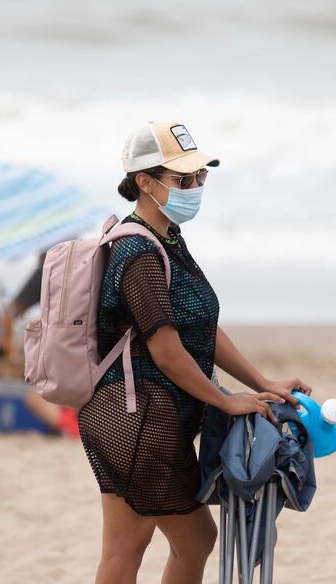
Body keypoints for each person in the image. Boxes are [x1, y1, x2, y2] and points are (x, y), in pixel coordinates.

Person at [79, 122, 310, 584]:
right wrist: (225, 400)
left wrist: (261, 383)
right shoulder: (138, 252)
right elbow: (166, 351)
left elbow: (201, 327)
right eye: (183, 179)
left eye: (201, 175)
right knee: (175, 543)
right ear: (145, 182)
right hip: (139, 420)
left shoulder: (166, 237)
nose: (196, 186)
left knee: (135, 548)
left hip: (134, 415)